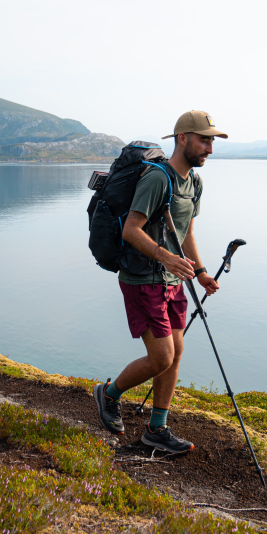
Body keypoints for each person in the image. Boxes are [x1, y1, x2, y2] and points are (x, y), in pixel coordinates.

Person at [93, 111, 226, 453]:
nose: (209, 148)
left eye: (212, 141)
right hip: (142, 278)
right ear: (182, 138)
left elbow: (186, 233)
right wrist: (165, 256)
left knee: (176, 352)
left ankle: (157, 429)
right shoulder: (157, 179)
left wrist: (200, 272)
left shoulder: (194, 183)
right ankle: (108, 393)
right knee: (162, 357)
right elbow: (131, 229)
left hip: (172, 279)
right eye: (204, 140)